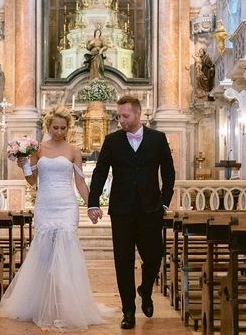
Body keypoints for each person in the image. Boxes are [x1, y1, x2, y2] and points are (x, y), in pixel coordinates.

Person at [0, 106, 113, 329]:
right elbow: (33, 182)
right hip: (45, 204)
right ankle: (41, 304)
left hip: (66, 205)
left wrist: (92, 206)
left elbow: (80, 182)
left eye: (63, 128)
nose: (59, 131)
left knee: (66, 251)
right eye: (55, 127)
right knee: (44, 253)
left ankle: (67, 305)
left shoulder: (73, 150)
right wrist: (24, 166)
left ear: (68, 128)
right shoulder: (37, 149)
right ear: (48, 126)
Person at [87, 95, 175, 329]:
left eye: (125, 116)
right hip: (122, 210)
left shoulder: (158, 139)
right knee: (123, 261)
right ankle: (128, 310)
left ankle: (145, 290)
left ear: (138, 114)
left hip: (151, 209)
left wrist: (165, 202)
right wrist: (93, 202)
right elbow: (100, 172)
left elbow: (168, 173)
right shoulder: (112, 140)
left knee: (154, 256)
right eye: (119, 116)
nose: (121, 120)